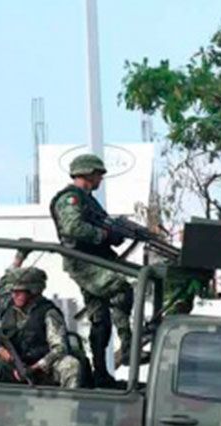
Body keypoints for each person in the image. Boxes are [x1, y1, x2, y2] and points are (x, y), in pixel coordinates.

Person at [50, 153, 135, 388]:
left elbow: (99, 225)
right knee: (121, 289)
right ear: (87, 173)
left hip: (94, 260)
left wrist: (115, 234)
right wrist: (105, 235)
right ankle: (128, 348)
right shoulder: (71, 199)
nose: (100, 179)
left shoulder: (88, 199)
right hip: (83, 262)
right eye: (98, 174)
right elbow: (73, 227)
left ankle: (101, 375)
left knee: (101, 320)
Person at [0, 267, 81, 388]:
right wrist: (0, 350)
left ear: (33, 291)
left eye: (20, 292)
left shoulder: (49, 313)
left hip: (43, 369)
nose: (14, 295)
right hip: (14, 367)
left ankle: (67, 405)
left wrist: (36, 367)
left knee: (70, 365)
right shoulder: (8, 310)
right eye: (13, 291)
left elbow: (59, 349)